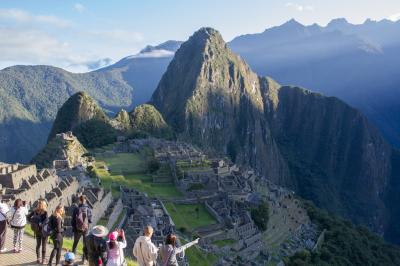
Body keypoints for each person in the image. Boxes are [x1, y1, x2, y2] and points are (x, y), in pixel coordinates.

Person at [72, 195, 92, 262]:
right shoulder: (88, 209)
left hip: (77, 229)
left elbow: (73, 221)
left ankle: (71, 258)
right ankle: (84, 260)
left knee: (75, 243)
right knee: (85, 244)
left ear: (79, 200)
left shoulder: (76, 209)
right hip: (85, 230)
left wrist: (74, 228)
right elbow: (90, 220)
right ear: (85, 200)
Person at [28, 199, 49, 264]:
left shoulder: (35, 211)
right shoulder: (45, 212)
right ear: (44, 205)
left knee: (38, 245)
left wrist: (32, 222)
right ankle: (43, 260)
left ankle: (38, 259)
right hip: (44, 232)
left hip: (37, 231)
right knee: (44, 245)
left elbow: (28, 217)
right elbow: (46, 221)